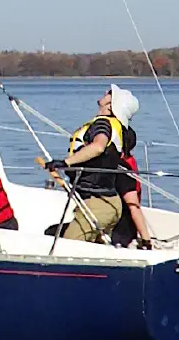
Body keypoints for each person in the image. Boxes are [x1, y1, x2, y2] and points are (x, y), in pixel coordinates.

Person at [47, 84, 152, 246]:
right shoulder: (113, 126)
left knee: (67, 246)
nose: (105, 93)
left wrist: (65, 163)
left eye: (110, 93)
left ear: (111, 106)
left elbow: (98, 146)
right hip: (105, 204)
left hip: (99, 204)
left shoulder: (103, 124)